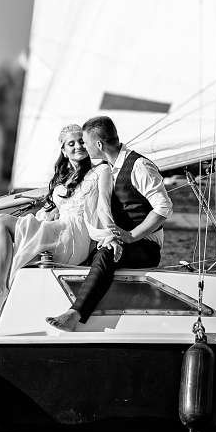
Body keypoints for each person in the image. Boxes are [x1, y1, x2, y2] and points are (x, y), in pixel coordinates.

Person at [0, 125, 103, 334]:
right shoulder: (64, 176)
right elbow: (53, 209)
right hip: (58, 231)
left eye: (81, 141)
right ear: (63, 150)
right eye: (71, 143)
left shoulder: (98, 173)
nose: (78, 146)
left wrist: (107, 238)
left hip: (74, 238)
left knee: (2, 221)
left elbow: (101, 212)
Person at [46, 114, 171, 331]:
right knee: (91, 249)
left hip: (145, 246)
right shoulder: (107, 167)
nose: (82, 146)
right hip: (120, 240)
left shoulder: (139, 166)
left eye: (84, 141)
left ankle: (75, 313)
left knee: (107, 253)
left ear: (98, 144)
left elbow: (163, 208)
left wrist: (131, 236)